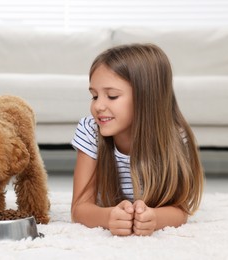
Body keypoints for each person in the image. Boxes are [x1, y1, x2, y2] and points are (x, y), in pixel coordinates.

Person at [71, 43, 204, 236]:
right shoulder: (90, 131)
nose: (98, 106)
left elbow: (180, 211)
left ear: (147, 97)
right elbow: (79, 209)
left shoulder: (174, 135)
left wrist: (155, 218)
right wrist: (108, 217)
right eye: (94, 96)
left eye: (112, 96)